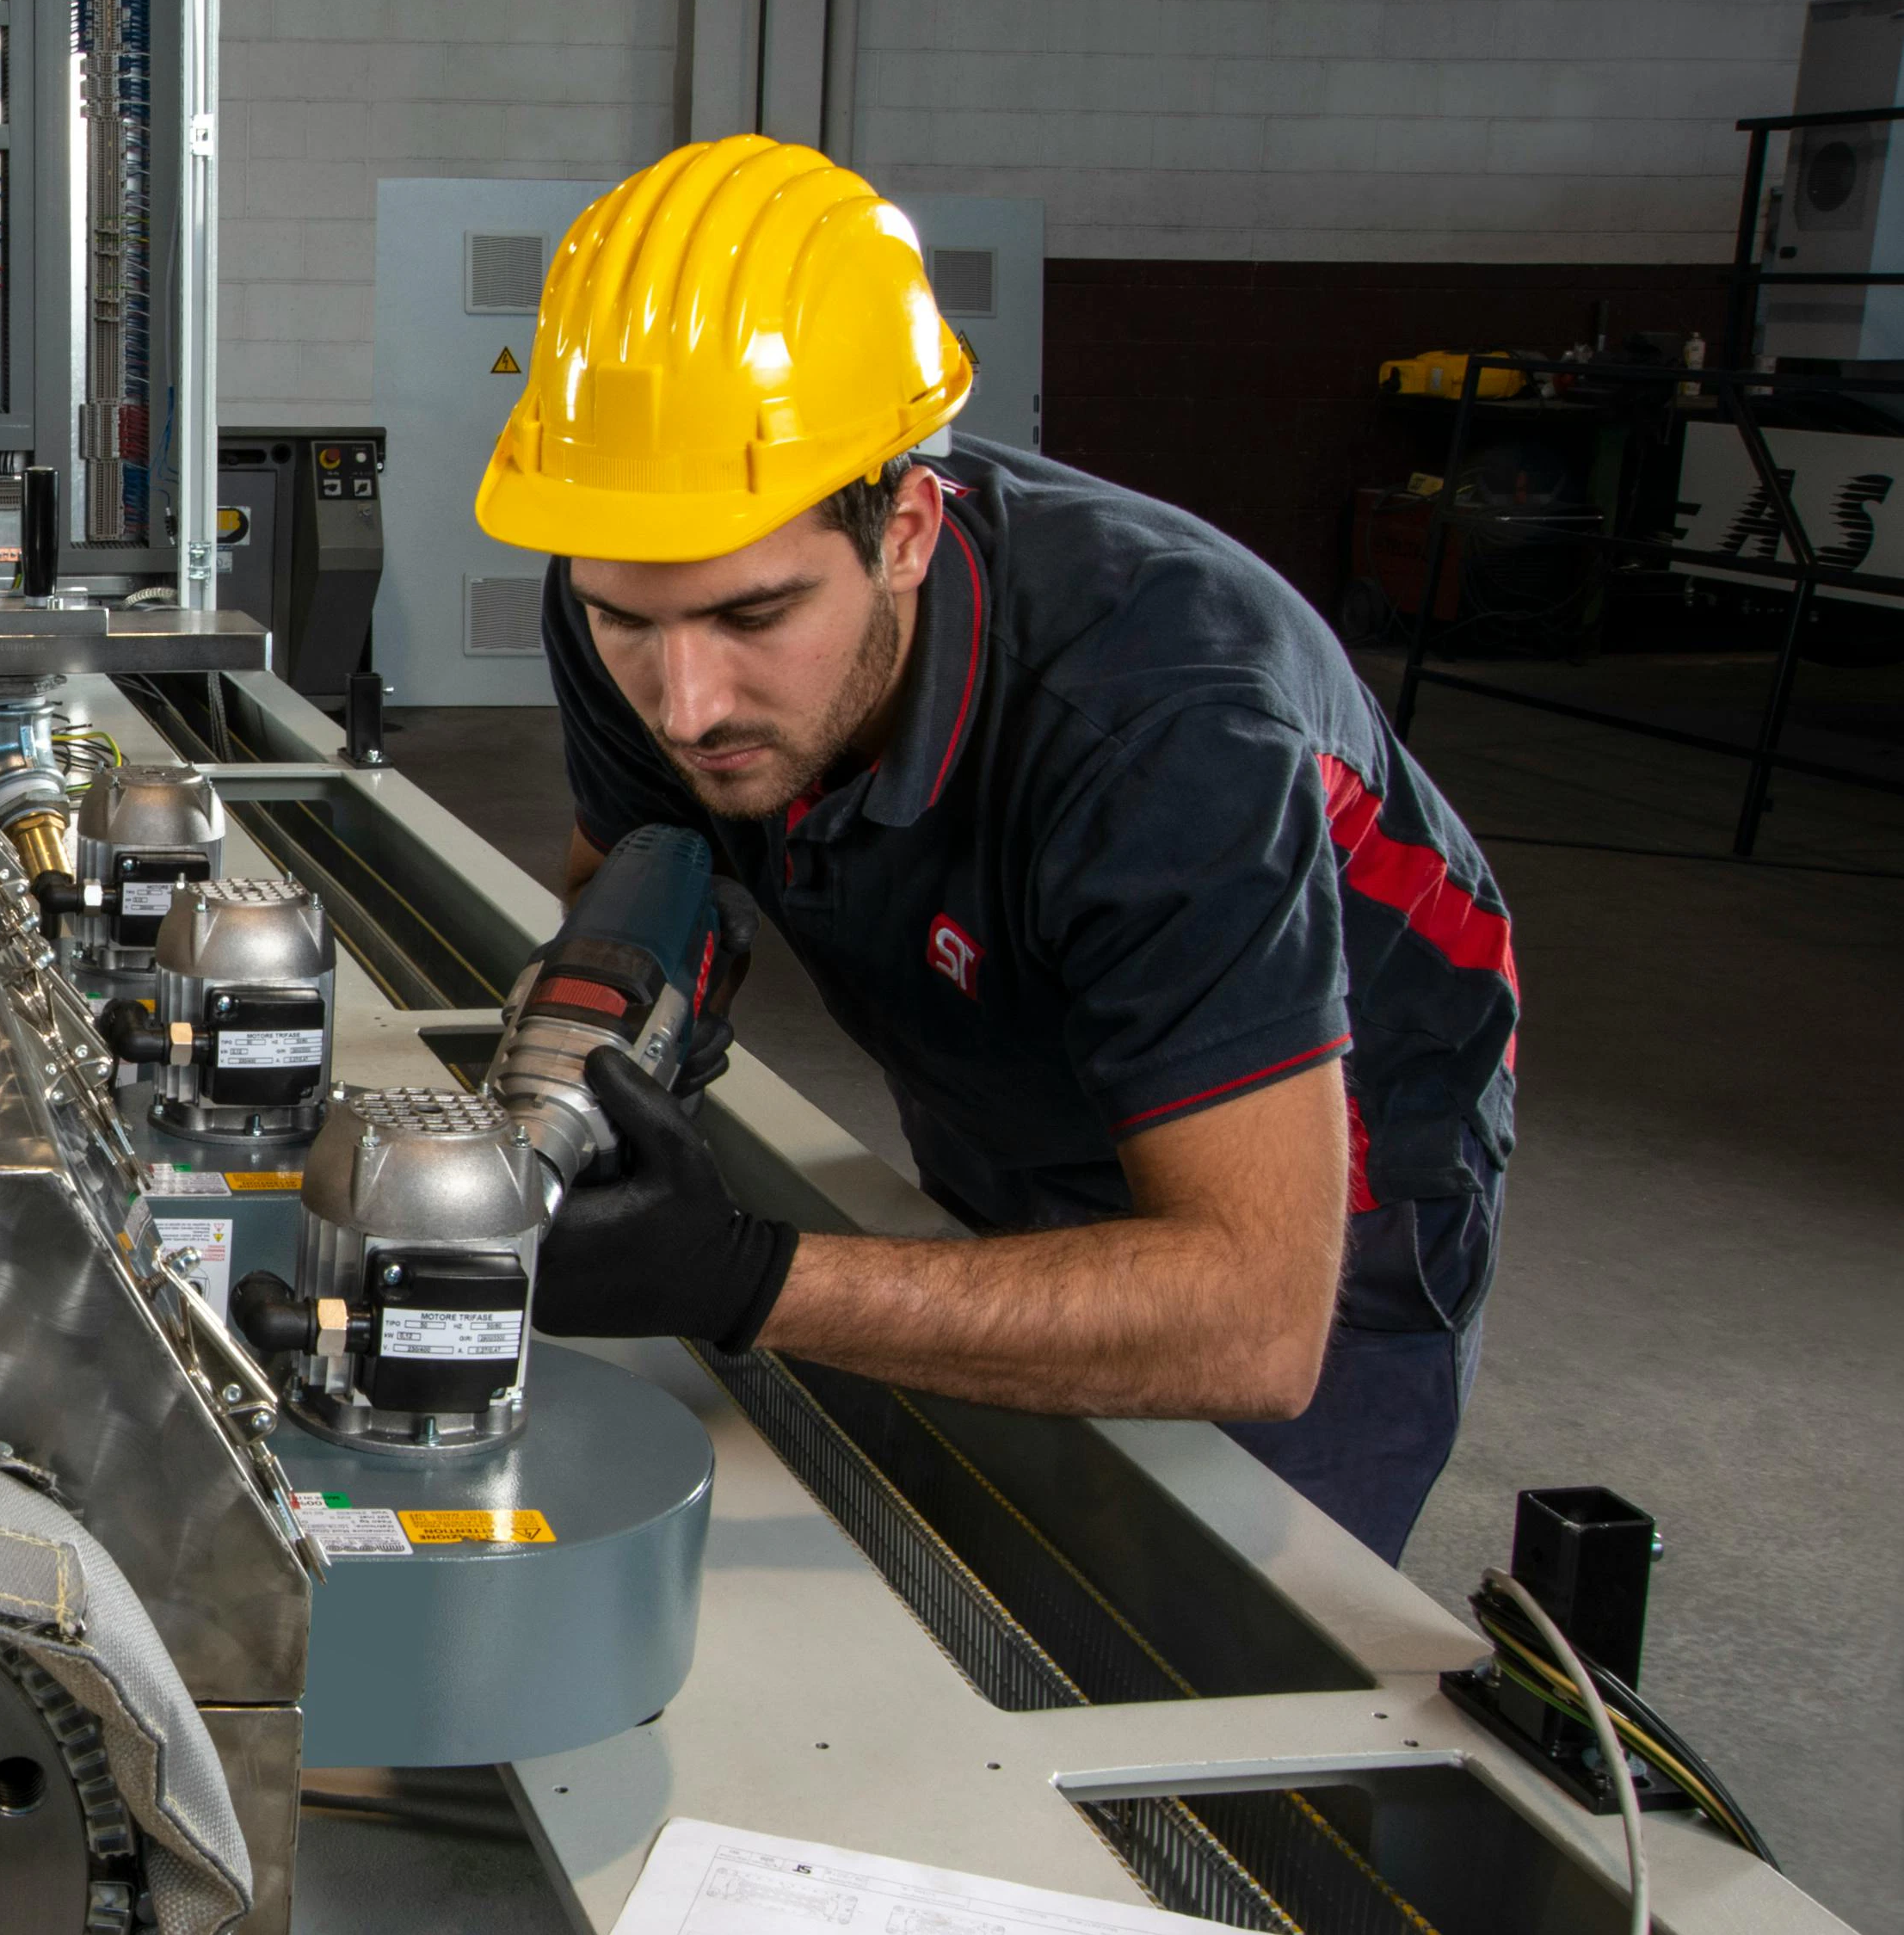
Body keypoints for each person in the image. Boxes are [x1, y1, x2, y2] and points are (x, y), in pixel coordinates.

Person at [490, 138, 1517, 1562]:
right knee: (999, 1496)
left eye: (751, 620)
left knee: (1223, 1621)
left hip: (1320, 1168)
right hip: (1007, 1053)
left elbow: (1251, 1317)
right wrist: (595, 1047)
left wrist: (737, 1275)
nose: (685, 702)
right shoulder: (632, 569)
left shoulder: (1156, 722)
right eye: (626, 624)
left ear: (904, 527)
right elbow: (648, 859)